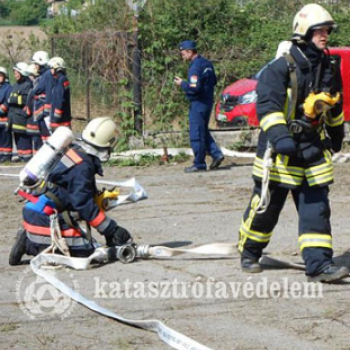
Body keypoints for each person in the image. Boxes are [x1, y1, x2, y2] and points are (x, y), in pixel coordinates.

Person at [237, 3, 349, 283]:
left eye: (327, 31)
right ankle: (250, 252)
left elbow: (334, 105)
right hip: (280, 151)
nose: (325, 35)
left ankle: (319, 265)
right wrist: (281, 137)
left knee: (316, 209)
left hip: (312, 148)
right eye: (319, 31)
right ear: (304, 32)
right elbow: (268, 106)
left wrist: (337, 133)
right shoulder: (280, 68)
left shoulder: (328, 67)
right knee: (266, 208)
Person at [9, 117, 132, 265]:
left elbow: (75, 192)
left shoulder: (75, 152)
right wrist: (111, 230)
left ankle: (30, 239)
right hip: (43, 218)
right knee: (85, 252)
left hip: (37, 210)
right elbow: (82, 204)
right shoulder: (83, 166)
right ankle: (28, 242)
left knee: (84, 244)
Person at [174, 40, 224, 173]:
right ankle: (216, 154)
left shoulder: (195, 67)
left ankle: (199, 163)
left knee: (196, 133)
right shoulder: (207, 63)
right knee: (203, 130)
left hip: (198, 103)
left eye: (183, 53)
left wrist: (182, 84)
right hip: (208, 101)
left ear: (190, 52)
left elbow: (194, 88)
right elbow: (214, 82)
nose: (182, 56)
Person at [8, 62, 33, 162]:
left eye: (17, 72)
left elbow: (25, 99)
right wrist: (14, 98)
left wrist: (13, 99)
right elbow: (11, 98)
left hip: (22, 117)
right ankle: (20, 155)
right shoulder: (16, 85)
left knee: (23, 137)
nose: (15, 74)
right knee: (17, 136)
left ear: (22, 73)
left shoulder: (27, 84)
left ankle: (26, 157)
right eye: (14, 72)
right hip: (14, 117)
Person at [31, 50, 54, 142]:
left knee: (48, 136)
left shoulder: (47, 74)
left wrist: (46, 111)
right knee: (44, 136)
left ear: (42, 63)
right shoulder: (43, 75)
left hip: (45, 111)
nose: (35, 66)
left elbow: (49, 92)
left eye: (36, 63)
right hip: (41, 109)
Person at [48, 57, 72, 132]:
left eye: (51, 68)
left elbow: (60, 99)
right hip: (60, 120)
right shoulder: (59, 80)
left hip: (61, 122)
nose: (50, 70)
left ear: (56, 68)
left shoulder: (61, 79)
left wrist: (56, 117)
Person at [26, 63, 42, 153]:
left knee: (38, 141)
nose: (29, 77)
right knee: (36, 141)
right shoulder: (33, 88)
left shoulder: (36, 89)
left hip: (36, 119)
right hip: (33, 119)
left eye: (31, 75)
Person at [0, 67, 12, 162]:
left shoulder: (8, 88)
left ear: (4, 76)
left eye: (1, 75)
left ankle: (7, 156)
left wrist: (1, 109)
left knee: (5, 138)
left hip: (5, 118)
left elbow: (8, 102)